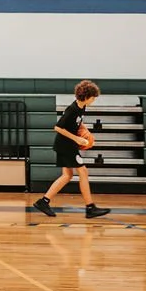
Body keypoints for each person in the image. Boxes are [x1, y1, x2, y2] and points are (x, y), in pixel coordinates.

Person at [33, 80, 110, 219]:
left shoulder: (82, 106)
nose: (94, 100)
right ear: (86, 96)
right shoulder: (72, 109)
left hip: (66, 145)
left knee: (67, 175)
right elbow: (58, 127)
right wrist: (77, 139)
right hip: (66, 146)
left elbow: (78, 123)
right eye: (93, 98)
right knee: (83, 171)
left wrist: (86, 133)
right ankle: (90, 208)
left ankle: (43, 202)